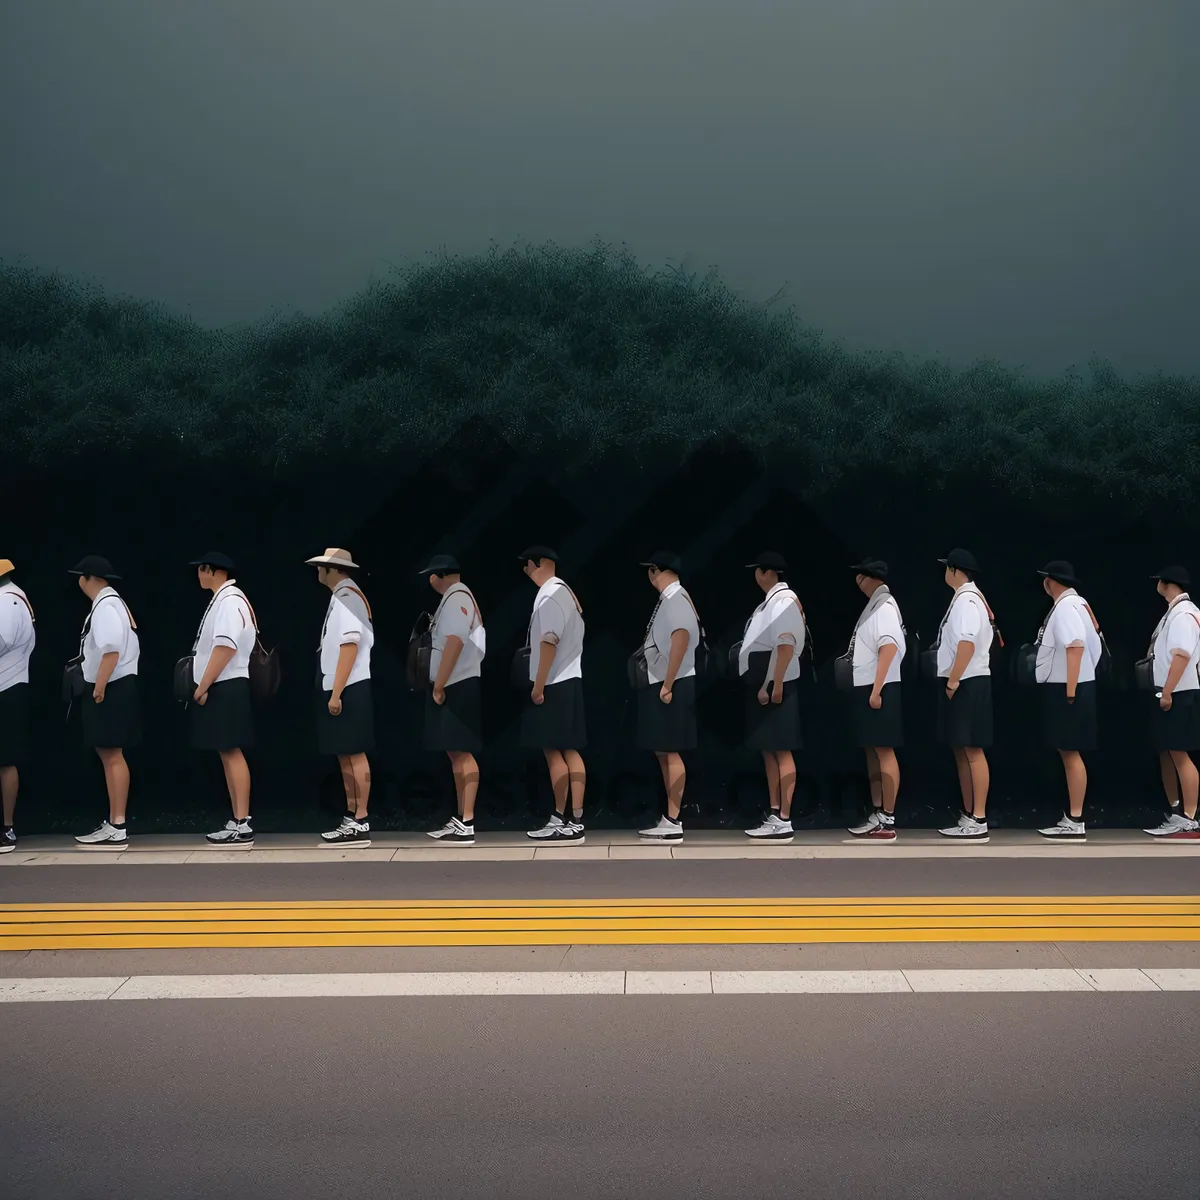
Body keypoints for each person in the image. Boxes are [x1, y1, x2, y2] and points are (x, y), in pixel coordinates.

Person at [187, 553, 258, 847]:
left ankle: (242, 822)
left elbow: (226, 646)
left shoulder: (229, 601)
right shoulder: (226, 598)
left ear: (212, 571)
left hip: (226, 683)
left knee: (231, 751)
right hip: (226, 681)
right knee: (226, 752)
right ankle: (238, 819)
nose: (198, 575)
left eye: (200, 570)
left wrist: (203, 685)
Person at [307, 548, 376, 847]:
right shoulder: (342, 596)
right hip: (341, 683)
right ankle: (352, 815)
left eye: (321, 567)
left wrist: (336, 692)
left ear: (333, 569)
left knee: (354, 752)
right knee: (344, 753)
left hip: (349, 685)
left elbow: (350, 644)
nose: (318, 572)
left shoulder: (348, 598)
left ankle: (361, 818)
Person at [71, 556, 141, 850]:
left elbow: (111, 649)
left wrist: (99, 687)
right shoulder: (112, 604)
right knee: (109, 754)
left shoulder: (105, 606)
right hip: (115, 684)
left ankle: (118, 824)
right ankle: (115, 822)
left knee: (112, 755)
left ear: (88, 578)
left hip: (111, 685)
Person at [519, 546, 587, 844]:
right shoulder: (568, 594)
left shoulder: (549, 595)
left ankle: (560, 819)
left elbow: (549, 641)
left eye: (527, 566)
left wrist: (539, 685)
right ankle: (577, 818)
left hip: (553, 682)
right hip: (570, 679)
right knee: (570, 750)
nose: (526, 571)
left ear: (539, 564)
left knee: (553, 751)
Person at [1033, 560, 1103, 840]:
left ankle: (1075, 818)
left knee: (1071, 752)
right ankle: (1073, 816)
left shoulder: (1064, 608)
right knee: (1069, 752)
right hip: (1079, 683)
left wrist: (1071, 690)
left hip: (1068, 687)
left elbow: (1075, 645)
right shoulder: (1080, 605)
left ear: (1049, 581)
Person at [739, 552, 806, 843]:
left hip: (777, 685)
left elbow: (786, 643)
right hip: (764, 685)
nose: (755, 576)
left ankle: (785, 818)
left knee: (782, 750)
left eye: (757, 570)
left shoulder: (783, 601)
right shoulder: (769, 603)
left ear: (767, 572)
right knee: (769, 749)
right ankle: (775, 811)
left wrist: (774, 684)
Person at [636, 552, 700, 844]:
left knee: (671, 750)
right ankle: (669, 817)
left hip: (672, 684)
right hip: (663, 682)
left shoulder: (675, 599)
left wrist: (668, 682)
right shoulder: (671, 599)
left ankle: (674, 819)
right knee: (663, 750)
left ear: (654, 571)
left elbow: (682, 636)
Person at [421, 554, 485, 846]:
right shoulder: (454, 598)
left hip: (457, 684)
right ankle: (461, 817)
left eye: (431, 575)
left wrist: (440, 683)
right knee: (454, 753)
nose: (429, 581)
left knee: (463, 752)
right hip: (455, 682)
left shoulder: (458, 596)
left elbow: (456, 641)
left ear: (441, 574)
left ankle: (467, 820)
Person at [933, 549, 995, 843]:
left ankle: (979, 816)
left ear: (955, 570)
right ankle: (969, 813)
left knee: (972, 750)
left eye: (947, 568)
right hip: (963, 679)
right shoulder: (965, 598)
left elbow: (967, 644)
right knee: (961, 749)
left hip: (967, 680)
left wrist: (953, 680)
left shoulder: (967, 601)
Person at [845, 559, 906, 842]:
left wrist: (877, 689)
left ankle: (888, 817)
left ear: (869, 578)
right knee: (873, 750)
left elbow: (889, 646)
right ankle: (878, 810)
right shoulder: (875, 605)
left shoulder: (884, 606)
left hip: (880, 686)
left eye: (859, 577)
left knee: (883, 751)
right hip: (869, 684)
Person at [1142, 566, 1200, 839]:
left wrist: (1167, 691)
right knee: (1166, 750)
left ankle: (1189, 816)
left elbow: (1182, 655)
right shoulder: (1175, 612)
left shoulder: (1183, 614)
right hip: (1170, 690)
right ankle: (1176, 810)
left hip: (1177, 692)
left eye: (1159, 581)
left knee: (1179, 752)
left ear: (1168, 584)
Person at [0, 559, 35, 853]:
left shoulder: (7, 601)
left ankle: (7, 827)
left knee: (5, 759)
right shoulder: (15, 598)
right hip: (10, 684)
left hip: (6, 686)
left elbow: (3, 639)